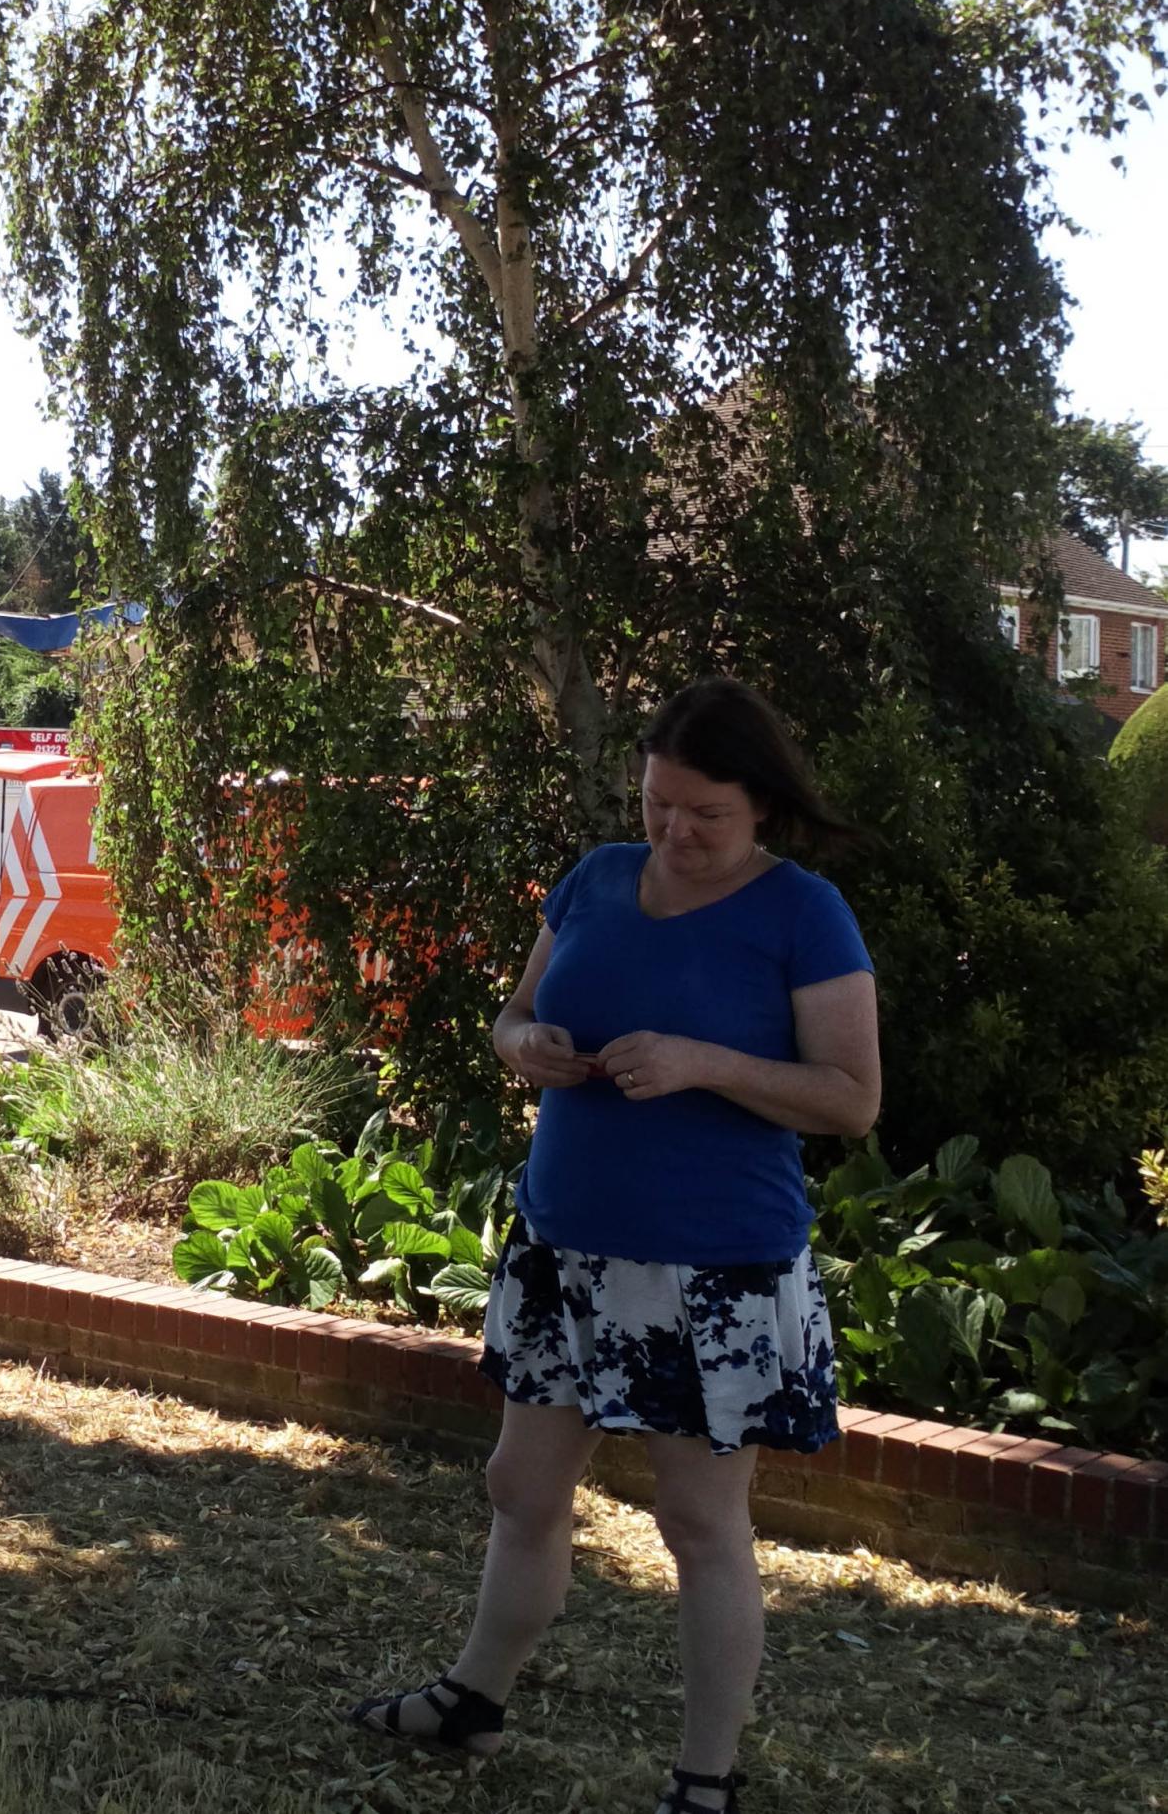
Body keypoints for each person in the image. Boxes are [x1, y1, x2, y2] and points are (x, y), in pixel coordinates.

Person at [348, 679, 880, 1814]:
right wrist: (523, 1043)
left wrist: (708, 1065)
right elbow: (511, 1015)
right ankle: (472, 1703)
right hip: (565, 1253)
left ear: (762, 809)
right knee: (519, 1484)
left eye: (705, 815)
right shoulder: (593, 878)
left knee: (696, 1521)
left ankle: (702, 1782)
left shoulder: (803, 912)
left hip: (714, 1272)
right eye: (658, 805)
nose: (676, 833)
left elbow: (850, 1100)